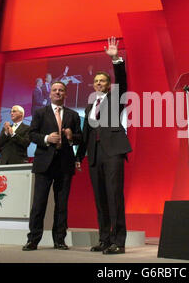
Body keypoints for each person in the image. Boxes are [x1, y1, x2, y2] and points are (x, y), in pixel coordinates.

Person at [76, 37, 132, 255]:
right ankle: (105, 239)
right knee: (100, 199)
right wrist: (78, 157)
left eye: (103, 81)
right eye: (96, 81)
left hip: (113, 152)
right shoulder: (90, 105)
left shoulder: (116, 98)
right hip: (95, 155)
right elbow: (86, 133)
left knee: (114, 196)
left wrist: (116, 58)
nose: (99, 83)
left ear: (109, 85)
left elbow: (123, 81)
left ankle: (119, 241)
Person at [23, 81, 82, 251]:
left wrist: (71, 136)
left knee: (62, 204)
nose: (57, 92)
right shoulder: (40, 112)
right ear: (50, 94)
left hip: (65, 164)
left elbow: (80, 138)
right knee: (39, 203)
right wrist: (46, 138)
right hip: (44, 164)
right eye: (55, 90)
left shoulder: (73, 115)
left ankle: (60, 240)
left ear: (65, 94)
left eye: (61, 90)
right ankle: (33, 240)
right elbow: (32, 134)